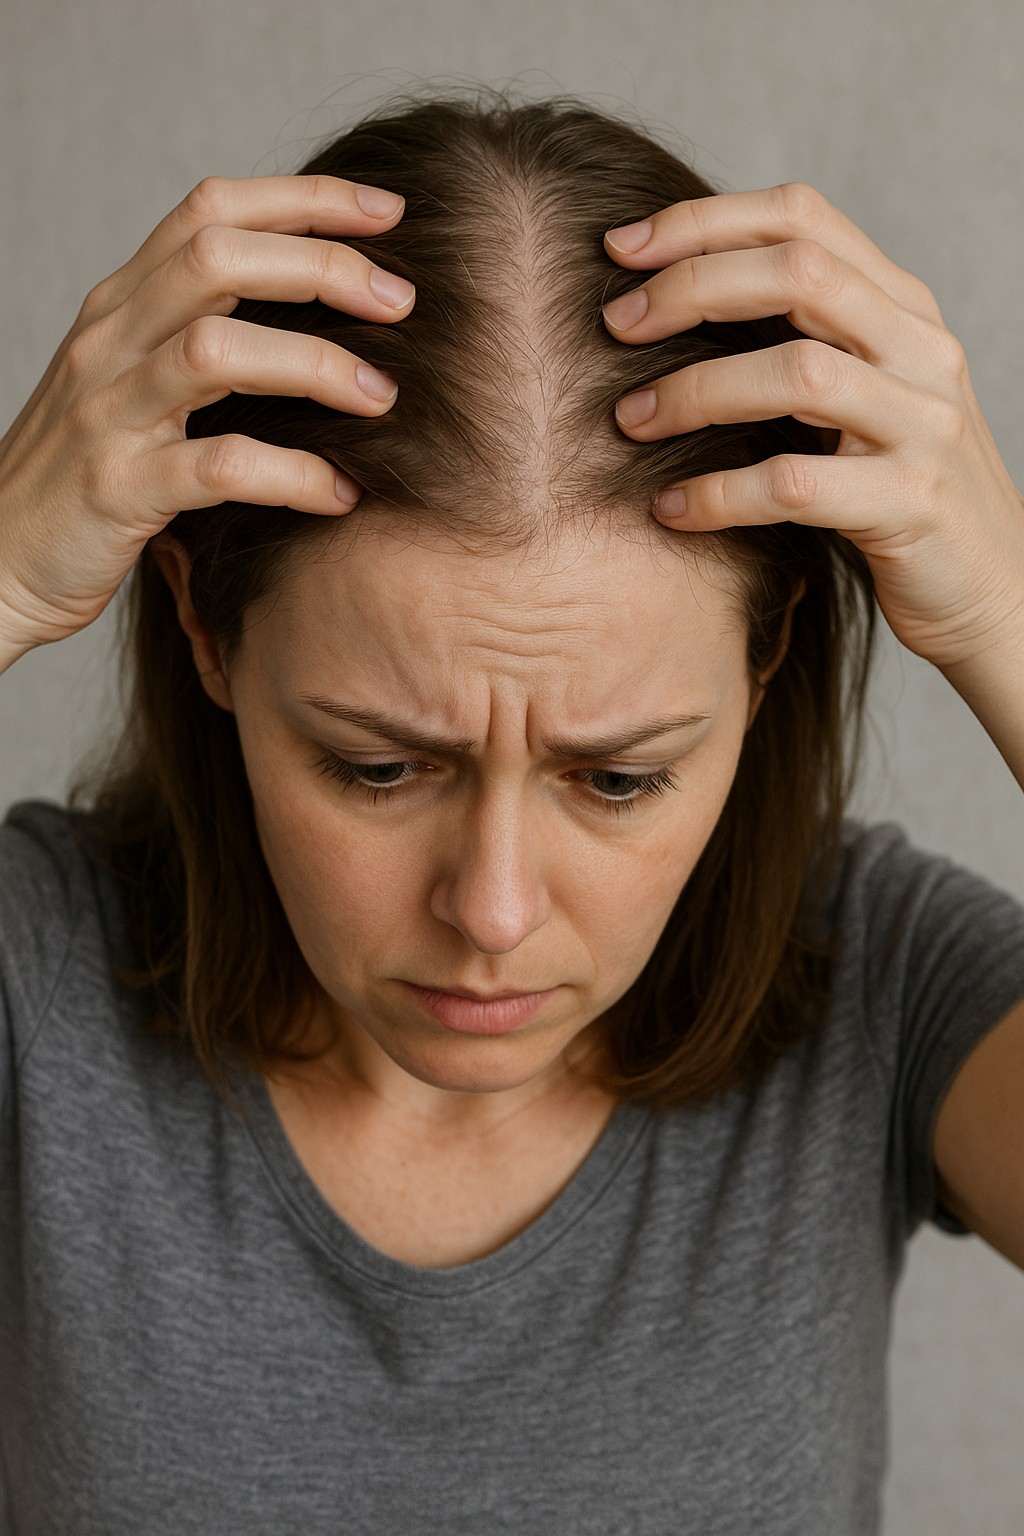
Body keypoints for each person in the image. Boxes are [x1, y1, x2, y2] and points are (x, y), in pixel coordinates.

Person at [1, 84, 1023, 1535]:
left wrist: (1011, 616)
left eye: (617, 778)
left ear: (767, 657)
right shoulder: (36, 987)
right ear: (208, 633)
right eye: (376, 767)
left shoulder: (886, 980)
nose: (491, 907)